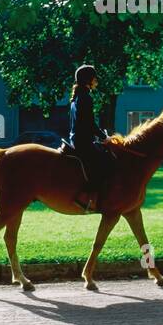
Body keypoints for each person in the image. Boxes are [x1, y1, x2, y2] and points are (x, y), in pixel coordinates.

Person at [68, 64, 112, 213]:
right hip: (83, 141)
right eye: (95, 78)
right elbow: (90, 123)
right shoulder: (85, 98)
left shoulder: (76, 98)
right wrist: (104, 137)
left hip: (77, 139)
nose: (96, 81)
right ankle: (87, 198)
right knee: (105, 164)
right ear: (88, 80)